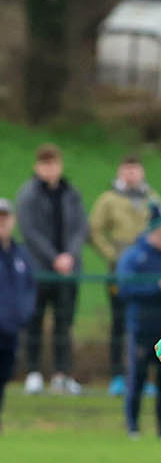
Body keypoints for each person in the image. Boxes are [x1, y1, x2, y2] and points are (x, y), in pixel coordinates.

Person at [91, 154, 161, 397]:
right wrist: (114, 255)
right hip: (120, 271)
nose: (131, 174)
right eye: (127, 170)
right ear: (120, 172)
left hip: (148, 271)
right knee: (119, 323)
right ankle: (118, 376)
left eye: (135, 169)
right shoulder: (108, 200)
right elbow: (94, 230)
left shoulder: (152, 199)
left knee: (149, 323)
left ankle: (146, 377)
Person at [17, 143, 86, 396]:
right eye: (45, 165)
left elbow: (80, 227)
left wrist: (69, 256)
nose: (50, 169)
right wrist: (54, 258)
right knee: (34, 321)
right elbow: (30, 231)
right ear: (37, 167)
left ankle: (62, 374)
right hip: (39, 270)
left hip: (68, 270)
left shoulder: (71, 193)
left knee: (64, 323)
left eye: (54, 164)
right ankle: (33, 373)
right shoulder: (29, 194)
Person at [115, 207, 161, 440]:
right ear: (152, 232)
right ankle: (133, 427)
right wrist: (157, 288)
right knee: (137, 377)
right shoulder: (134, 257)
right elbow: (124, 288)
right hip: (142, 326)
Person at [0, 198, 38, 434]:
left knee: (3, 378)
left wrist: (24, 314)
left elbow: (29, 288)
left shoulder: (21, 254)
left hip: (11, 330)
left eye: (5, 217)